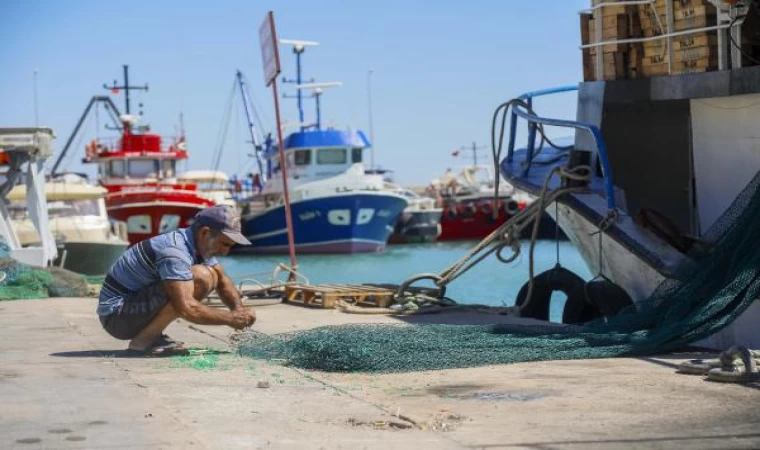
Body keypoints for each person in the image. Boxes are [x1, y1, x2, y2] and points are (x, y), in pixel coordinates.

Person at [97, 205, 256, 356]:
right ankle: (142, 342)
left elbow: (222, 280)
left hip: (129, 309)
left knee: (212, 274)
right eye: (225, 244)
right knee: (201, 277)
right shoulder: (175, 251)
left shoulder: (195, 243)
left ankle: (153, 335)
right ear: (205, 233)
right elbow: (187, 309)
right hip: (116, 317)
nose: (226, 251)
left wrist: (238, 310)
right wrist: (231, 319)